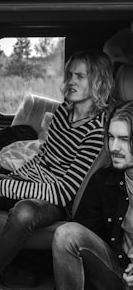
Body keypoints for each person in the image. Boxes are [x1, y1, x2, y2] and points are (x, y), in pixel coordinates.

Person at [0, 50, 114, 289]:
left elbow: (65, 191)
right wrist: (15, 179)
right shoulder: (63, 112)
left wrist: (5, 187)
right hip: (28, 182)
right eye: (69, 74)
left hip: (55, 202)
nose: (71, 81)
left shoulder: (97, 130)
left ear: (98, 81)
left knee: (24, 212)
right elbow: (42, 158)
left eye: (80, 76)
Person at [52, 101, 133, 290]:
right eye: (110, 137)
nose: (113, 147)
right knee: (66, 234)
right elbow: (84, 231)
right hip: (118, 270)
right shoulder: (104, 180)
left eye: (123, 139)